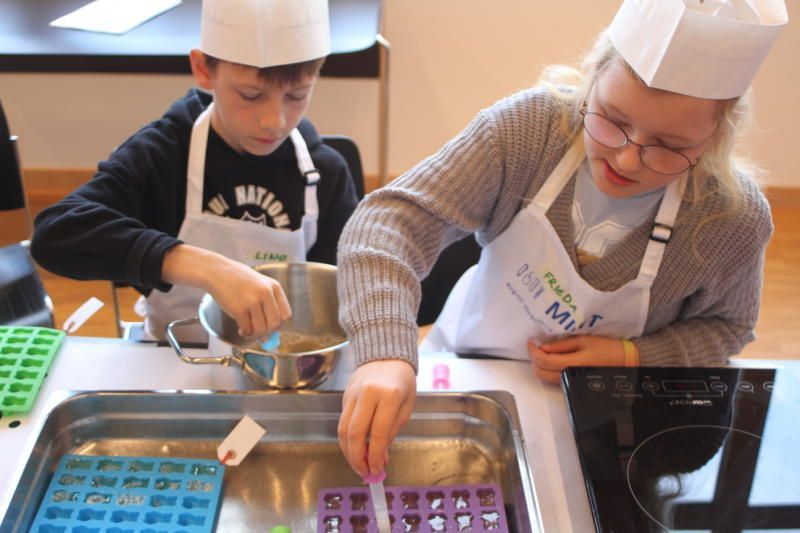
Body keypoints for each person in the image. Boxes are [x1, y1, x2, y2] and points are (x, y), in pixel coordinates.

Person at [335, 0, 788, 478]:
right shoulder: (528, 132)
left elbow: (726, 328)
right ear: (591, 78)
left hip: (607, 419)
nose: (627, 160)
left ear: (717, 137)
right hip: (469, 372)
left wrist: (631, 356)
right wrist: (384, 351)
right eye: (612, 120)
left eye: (670, 148)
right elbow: (388, 220)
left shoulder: (730, 220)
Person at [31, 0, 358, 342]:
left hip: (279, 365)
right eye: (250, 94)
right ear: (204, 69)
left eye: (296, 95)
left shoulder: (324, 173)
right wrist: (206, 268)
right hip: (172, 356)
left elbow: (346, 292)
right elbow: (55, 234)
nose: (274, 120)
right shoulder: (162, 156)